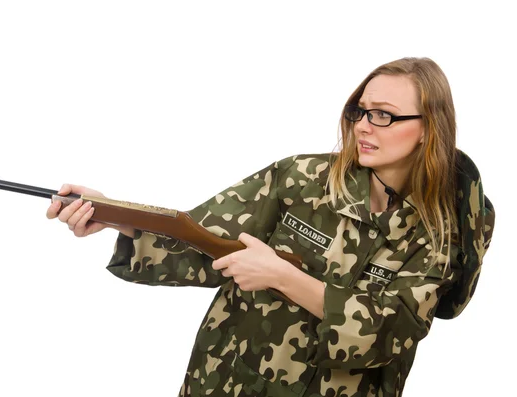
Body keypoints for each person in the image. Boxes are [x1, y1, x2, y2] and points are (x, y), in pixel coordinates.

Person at [46, 57, 495, 397]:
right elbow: (202, 240)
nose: (362, 125)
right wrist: (116, 220)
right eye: (360, 110)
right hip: (229, 381)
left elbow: (390, 333)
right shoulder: (299, 178)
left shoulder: (444, 228)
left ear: (429, 128)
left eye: (384, 114)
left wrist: (282, 276)